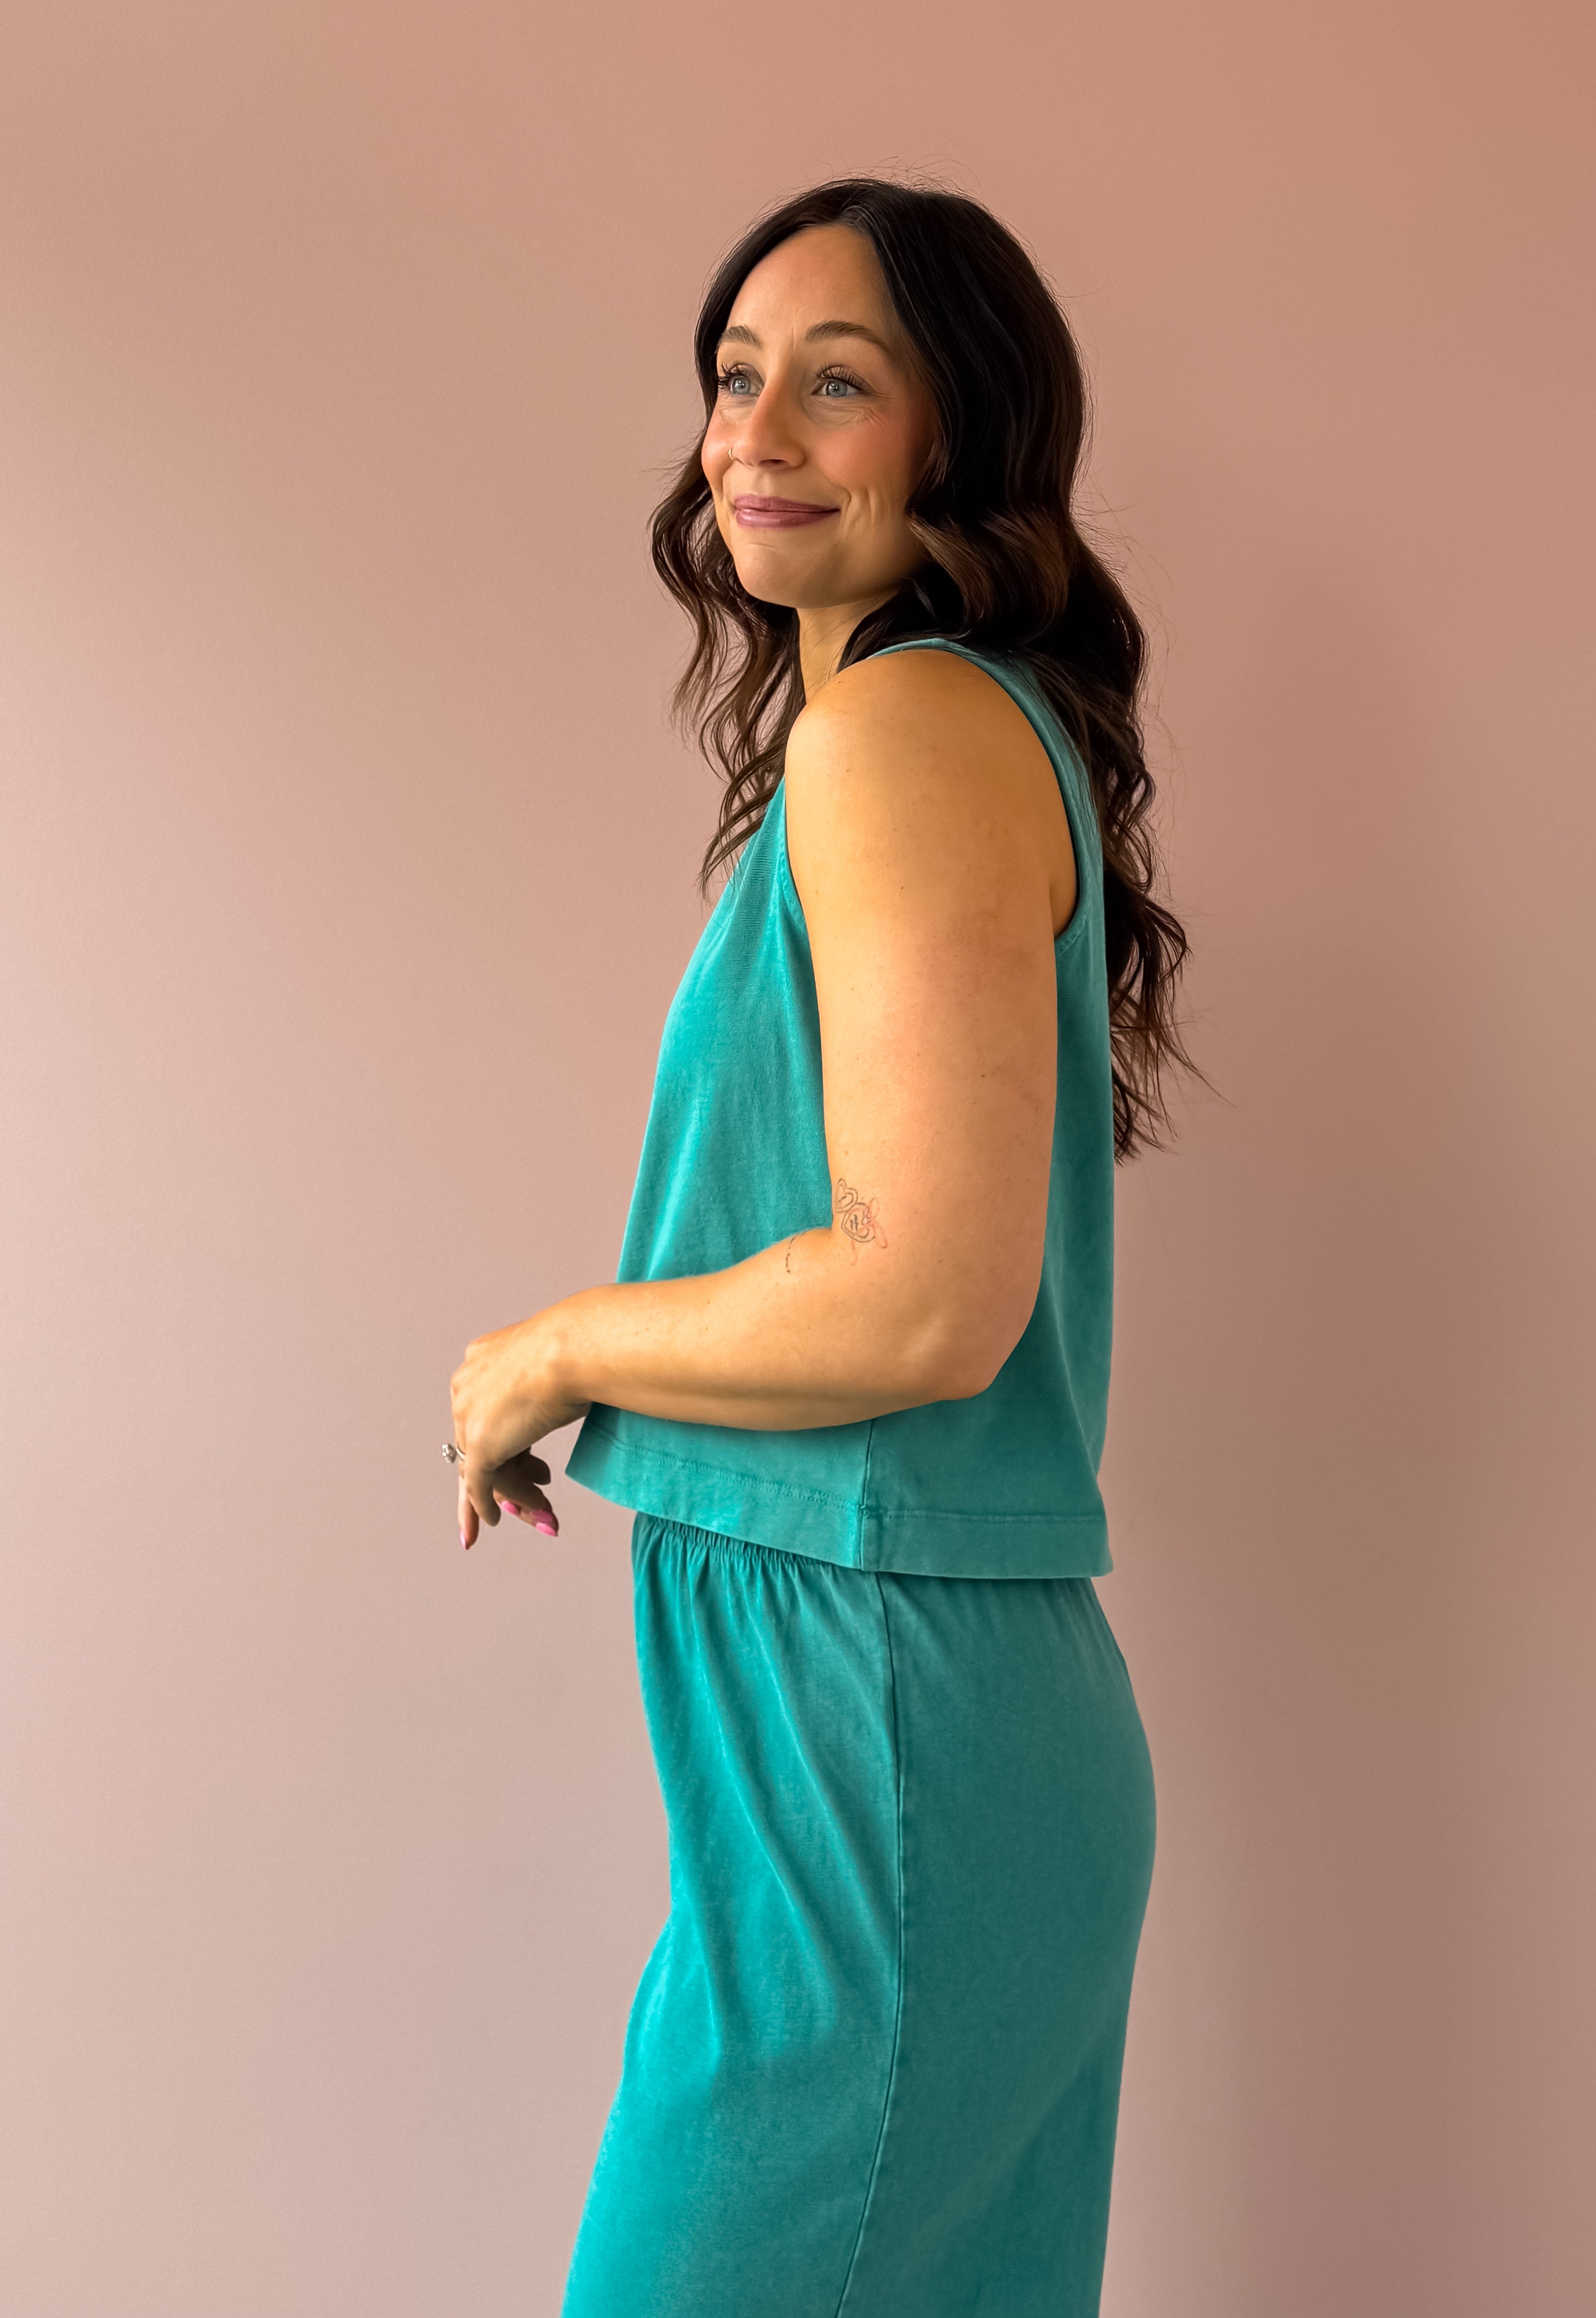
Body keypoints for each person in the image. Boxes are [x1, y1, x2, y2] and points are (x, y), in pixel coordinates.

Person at [447, 176, 1194, 2318]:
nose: (754, 432)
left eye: (836, 383)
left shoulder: (900, 730)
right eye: (732, 374)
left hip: (879, 1748)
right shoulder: (917, 734)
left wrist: (547, 1348)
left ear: (961, 432)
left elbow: (927, 1294)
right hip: (893, 1747)